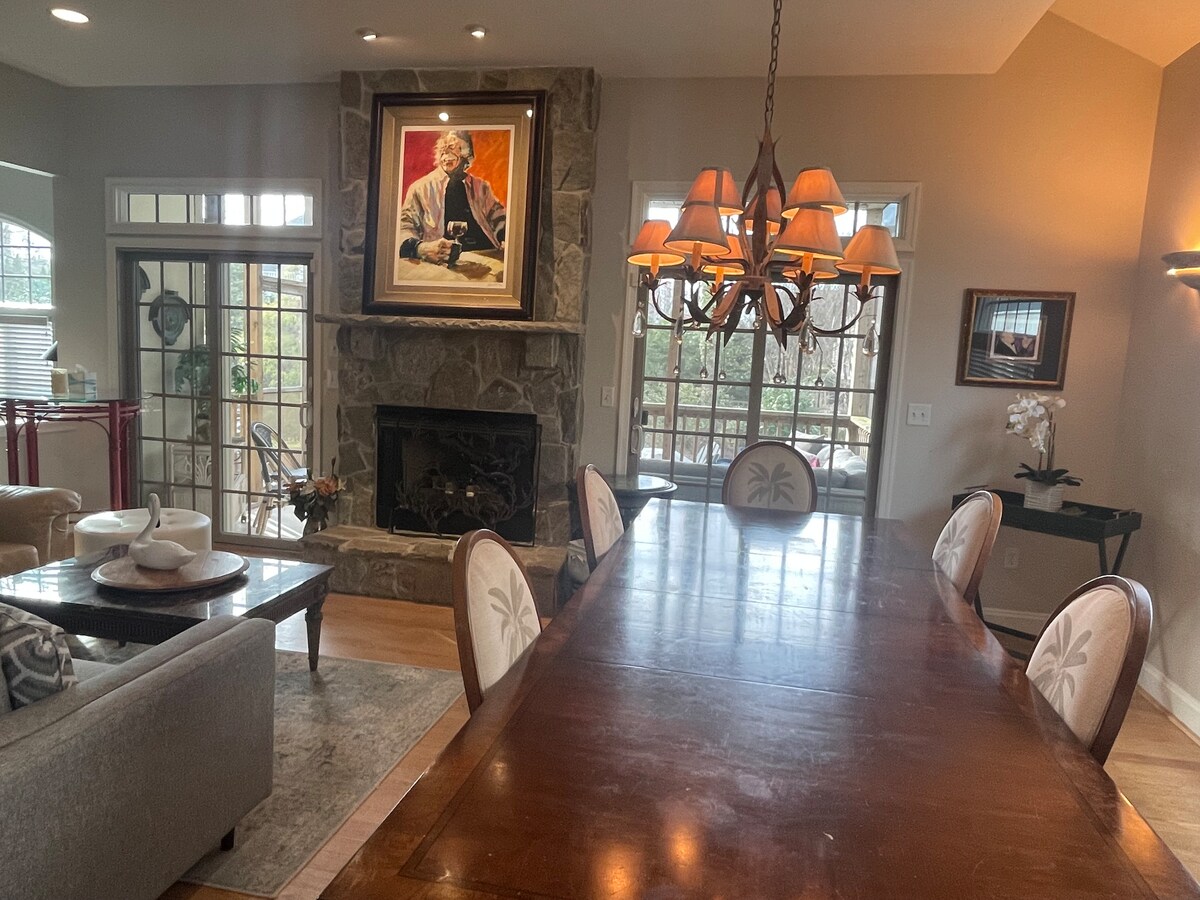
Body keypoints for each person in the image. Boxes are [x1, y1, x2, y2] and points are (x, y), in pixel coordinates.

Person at [397, 130, 507, 265]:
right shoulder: (420, 188)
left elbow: (500, 218)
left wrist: (506, 238)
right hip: (442, 263)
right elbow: (404, 228)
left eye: (456, 149)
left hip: (486, 256)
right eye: (444, 150)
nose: (448, 155)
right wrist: (421, 249)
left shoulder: (481, 187)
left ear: (468, 157)